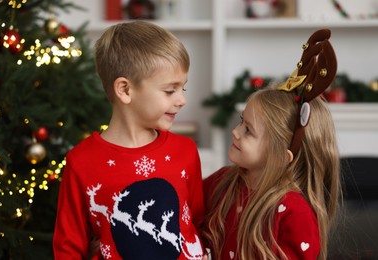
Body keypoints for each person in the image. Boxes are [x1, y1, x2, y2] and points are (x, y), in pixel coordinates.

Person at [53, 20, 206, 260]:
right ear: (124, 90)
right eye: (170, 90)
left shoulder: (184, 151)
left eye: (182, 89)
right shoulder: (81, 162)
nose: (181, 100)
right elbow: (68, 247)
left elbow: (198, 220)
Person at [200, 29, 342, 260]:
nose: (235, 132)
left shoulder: (294, 214)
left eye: (248, 130)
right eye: (241, 121)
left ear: (281, 156)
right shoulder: (223, 182)